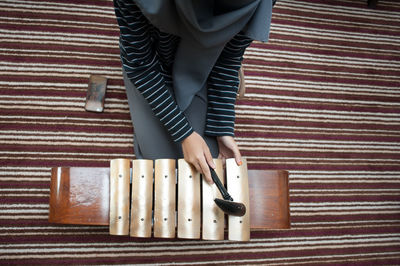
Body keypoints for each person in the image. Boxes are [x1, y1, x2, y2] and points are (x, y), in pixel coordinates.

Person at [114, 0, 273, 183]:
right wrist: (184, 134)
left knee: (207, 168)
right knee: (162, 171)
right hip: (150, 62)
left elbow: (228, 59)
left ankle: (214, 45)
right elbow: (139, 65)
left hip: (207, 61)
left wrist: (223, 129)